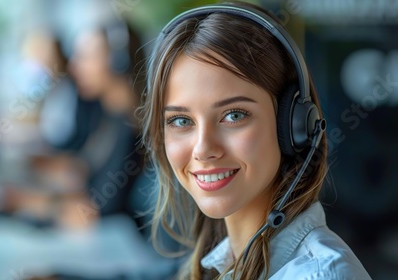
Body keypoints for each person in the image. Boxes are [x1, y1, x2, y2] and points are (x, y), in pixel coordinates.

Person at [139, 2, 372, 280]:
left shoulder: (321, 275)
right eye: (181, 120)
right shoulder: (219, 265)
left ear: (294, 125)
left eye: (234, 115)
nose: (203, 149)